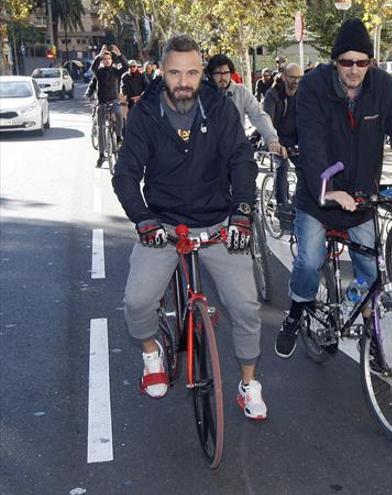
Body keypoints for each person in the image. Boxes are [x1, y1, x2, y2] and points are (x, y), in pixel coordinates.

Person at [111, 34, 267, 419]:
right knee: (138, 301)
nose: (184, 81)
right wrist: (143, 218)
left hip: (216, 222)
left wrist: (242, 212)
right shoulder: (145, 113)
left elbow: (242, 162)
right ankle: (152, 354)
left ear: (202, 73)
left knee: (246, 307)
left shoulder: (220, 108)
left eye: (193, 72)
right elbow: (126, 174)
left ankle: (248, 385)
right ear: (162, 71)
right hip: (162, 225)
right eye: (176, 72)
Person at [274, 18, 392, 358]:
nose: (354, 69)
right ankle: (297, 310)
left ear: (370, 63)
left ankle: (370, 332)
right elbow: (311, 143)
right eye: (346, 62)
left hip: (361, 199)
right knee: (309, 263)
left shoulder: (384, 88)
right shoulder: (313, 87)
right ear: (335, 62)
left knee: (371, 273)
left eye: (362, 62)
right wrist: (328, 189)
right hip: (318, 199)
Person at [205, 53, 282, 160]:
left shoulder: (241, 91)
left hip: (235, 149)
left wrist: (271, 139)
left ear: (231, 73)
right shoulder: (205, 93)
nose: (222, 77)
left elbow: (258, 115)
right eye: (217, 73)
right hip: (210, 151)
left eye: (226, 73)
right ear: (211, 75)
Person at [262, 62, 304, 205]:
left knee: (307, 168)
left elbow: (309, 120)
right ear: (285, 77)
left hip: (296, 139)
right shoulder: (273, 94)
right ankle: (282, 207)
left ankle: (300, 202)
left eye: (299, 77)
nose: (296, 81)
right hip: (276, 138)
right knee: (282, 167)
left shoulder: (303, 93)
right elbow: (267, 122)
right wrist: (275, 142)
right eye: (292, 77)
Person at [90, 44, 126, 168]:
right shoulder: (99, 72)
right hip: (102, 103)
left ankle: (119, 137)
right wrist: (99, 55)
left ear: (111, 60)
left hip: (114, 102)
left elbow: (126, 66)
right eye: (104, 59)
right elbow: (92, 67)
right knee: (100, 129)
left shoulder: (116, 72)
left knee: (119, 114)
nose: (106, 60)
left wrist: (119, 55)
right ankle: (101, 156)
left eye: (108, 59)